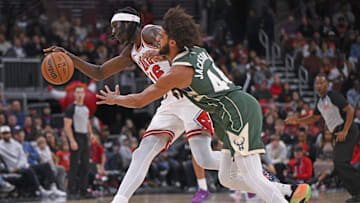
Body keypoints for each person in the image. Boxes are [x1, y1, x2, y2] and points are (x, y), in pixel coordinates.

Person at [95, 6, 311, 203]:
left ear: (172, 41)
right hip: (220, 111)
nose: (157, 41)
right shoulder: (195, 53)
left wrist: (117, 100)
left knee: (250, 173)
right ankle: (284, 189)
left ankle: (283, 192)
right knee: (225, 176)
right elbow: (103, 72)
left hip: (235, 110)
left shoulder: (177, 69)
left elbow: (142, 99)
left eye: (162, 38)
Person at [44, 7, 221, 203]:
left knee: (206, 159)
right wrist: (70, 57)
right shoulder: (131, 51)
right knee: (141, 153)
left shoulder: (149, 33)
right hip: (170, 101)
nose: (113, 32)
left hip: (190, 95)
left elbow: (177, 46)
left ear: (129, 24)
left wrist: (173, 64)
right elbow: (100, 72)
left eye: (116, 27)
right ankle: (119, 200)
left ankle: (250, 167)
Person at [286, 74, 360, 202]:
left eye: (322, 82)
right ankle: (356, 194)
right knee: (339, 164)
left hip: (347, 129)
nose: (319, 85)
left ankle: (358, 193)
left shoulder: (333, 96)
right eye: (317, 83)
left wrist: (345, 130)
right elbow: (313, 118)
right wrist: (296, 121)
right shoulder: (320, 102)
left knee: (340, 162)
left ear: (327, 84)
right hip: (337, 132)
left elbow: (350, 110)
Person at [63, 86, 93, 197]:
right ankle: (71, 191)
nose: (80, 94)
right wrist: (72, 141)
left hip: (84, 137)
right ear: (74, 95)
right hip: (76, 136)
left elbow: (87, 123)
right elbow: (67, 126)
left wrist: (91, 134)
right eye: (78, 92)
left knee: (86, 165)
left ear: (84, 94)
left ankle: (83, 191)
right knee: (74, 166)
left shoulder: (86, 108)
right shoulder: (71, 108)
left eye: (81, 92)